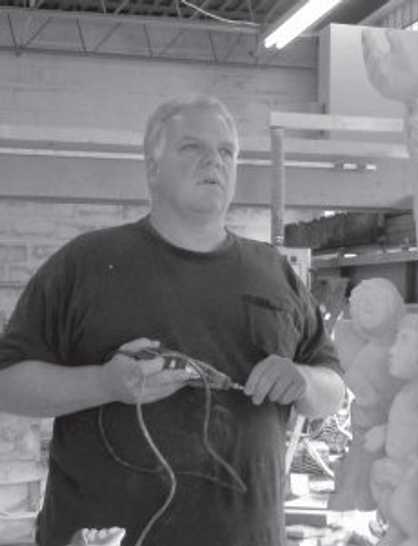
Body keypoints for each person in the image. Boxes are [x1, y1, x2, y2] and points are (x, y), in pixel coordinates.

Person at [0, 96, 345, 546]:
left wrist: (302, 380)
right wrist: (106, 384)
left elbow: (333, 389)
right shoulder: (86, 264)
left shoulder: (273, 271)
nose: (213, 162)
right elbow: (8, 381)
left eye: (226, 152)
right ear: (152, 167)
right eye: (192, 148)